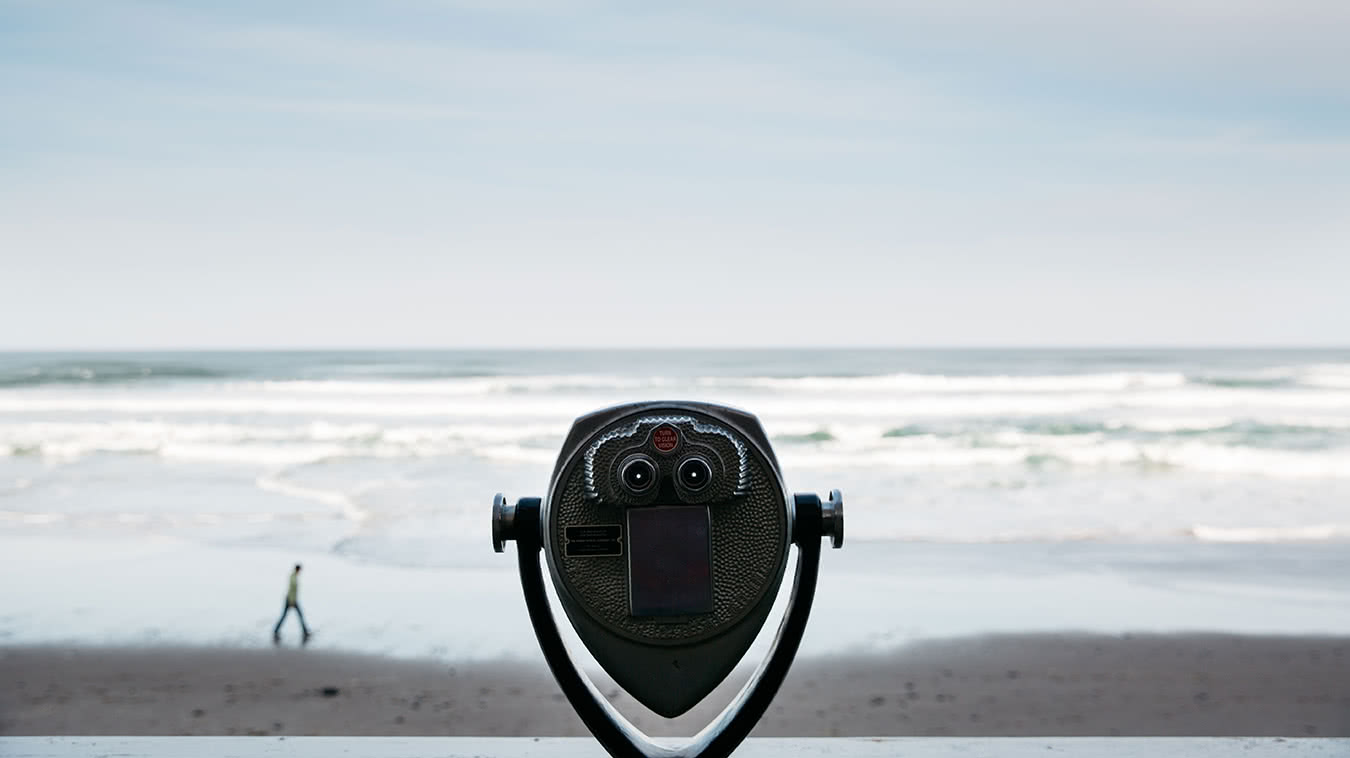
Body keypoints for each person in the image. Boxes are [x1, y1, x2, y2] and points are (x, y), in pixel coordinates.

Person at [272, 563, 312, 642]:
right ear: (298, 569)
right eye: (300, 570)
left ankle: (305, 631)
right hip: (291, 600)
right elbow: (292, 590)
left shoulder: (294, 576)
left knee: (297, 615)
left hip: (292, 599)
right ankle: (276, 630)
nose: (300, 571)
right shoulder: (293, 577)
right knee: (289, 615)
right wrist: (291, 601)